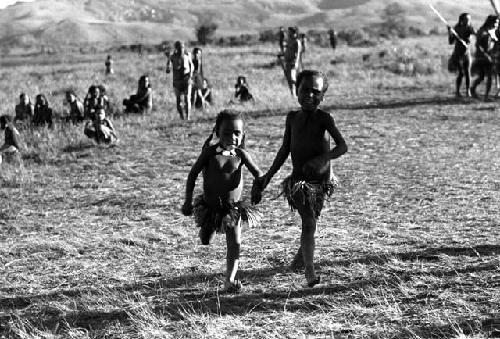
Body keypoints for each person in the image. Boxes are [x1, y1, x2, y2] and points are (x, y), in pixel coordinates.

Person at [253, 70, 347, 287]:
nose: (310, 95)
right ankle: (310, 271)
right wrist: (267, 177)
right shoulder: (292, 118)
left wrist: (324, 158)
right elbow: (284, 149)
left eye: (316, 92)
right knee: (308, 222)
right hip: (299, 183)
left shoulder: (325, 119)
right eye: (305, 90)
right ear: (297, 90)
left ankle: (300, 259)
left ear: (323, 95)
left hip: (321, 183)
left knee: (310, 222)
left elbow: (343, 146)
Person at [182, 109, 263, 292]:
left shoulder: (241, 155)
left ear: (243, 135)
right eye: (227, 132)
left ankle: (230, 279)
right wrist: (187, 201)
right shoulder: (209, 154)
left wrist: (258, 188)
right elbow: (192, 174)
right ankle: (207, 227)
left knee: (235, 243)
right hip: (210, 207)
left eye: (237, 133)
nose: (232, 137)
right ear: (217, 132)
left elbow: (258, 173)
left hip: (233, 209)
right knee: (206, 239)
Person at [471, 15, 499, 100]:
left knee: (484, 76)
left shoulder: (492, 32)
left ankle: (474, 90)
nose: (496, 24)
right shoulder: (482, 32)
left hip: (489, 56)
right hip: (482, 57)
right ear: (490, 22)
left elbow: (493, 43)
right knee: (486, 76)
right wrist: (485, 55)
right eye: (494, 22)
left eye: (497, 23)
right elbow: (478, 45)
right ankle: (485, 96)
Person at [447, 13, 475, 98]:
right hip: (458, 54)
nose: (468, 21)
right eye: (466, 19)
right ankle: (457, 92)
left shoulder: (470, 28)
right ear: (461, 20)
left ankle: (468, 91)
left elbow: (474, 35)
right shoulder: (456, 28)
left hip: (466, 53)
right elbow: (451, 42)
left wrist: (470, 34)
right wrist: (450, 32)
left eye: (469, 19)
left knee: (467, 73)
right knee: (461, 73)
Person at [166, 41, 194, 120]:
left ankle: (188, 117)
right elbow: (168, 66)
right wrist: (168, 68)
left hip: (186, 79)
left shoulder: (187, 55)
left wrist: (190, 75)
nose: (181, 49)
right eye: (179, 47)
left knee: (187, 98)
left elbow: (191, 65)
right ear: (176, 48)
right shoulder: (172, 57)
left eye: (182, 47)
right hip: (177, 81)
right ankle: (182, 117)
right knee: (178, 99)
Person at [281, 27, 302, 97]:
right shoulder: (289, 40)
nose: (288, 33)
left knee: (293, 78)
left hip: (293, 62)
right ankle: (293, 94)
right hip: (287, 62)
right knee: (289, 79)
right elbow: (287, 50)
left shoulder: (297, 42)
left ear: (294, 33)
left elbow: (298, 53)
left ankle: (300, 90)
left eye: (289, 32)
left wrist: (296, 62)